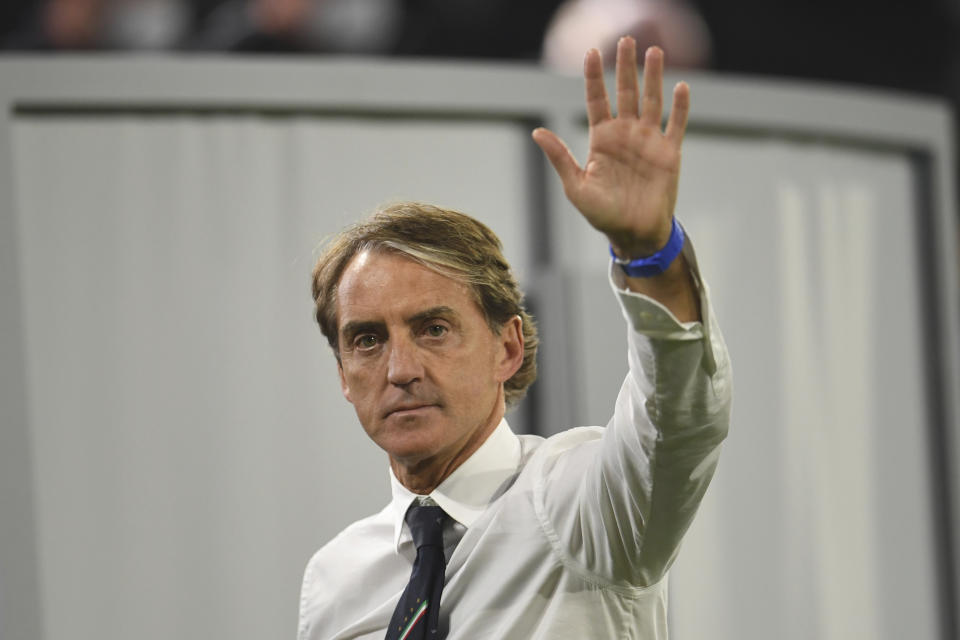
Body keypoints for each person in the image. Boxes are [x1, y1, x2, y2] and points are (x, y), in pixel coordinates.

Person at [299, 36, 731, 639]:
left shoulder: (582, 506)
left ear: (508, 347)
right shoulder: (336, 579)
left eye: (434, 328)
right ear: (344, 375)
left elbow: (680, 421)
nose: (400, 368)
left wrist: (649, 256)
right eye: (368, 340)